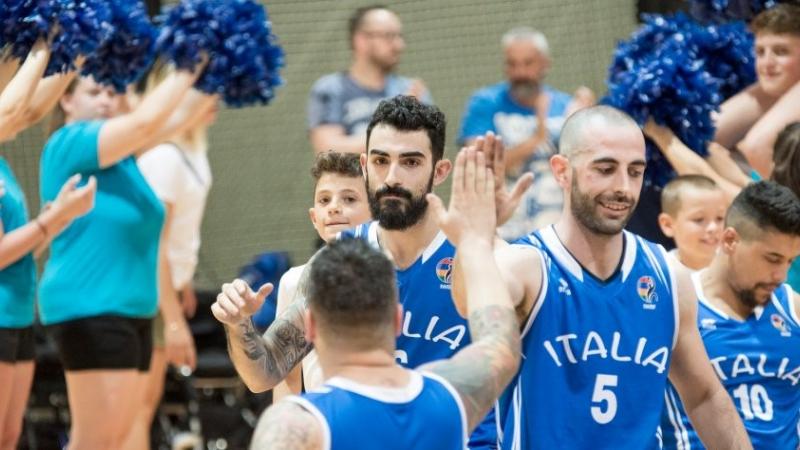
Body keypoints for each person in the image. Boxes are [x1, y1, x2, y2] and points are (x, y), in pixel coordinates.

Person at [211, 96, 528, 449]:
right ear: (364, 165)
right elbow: (265, 371)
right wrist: (239, 324)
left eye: (410, 162)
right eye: (380, 160)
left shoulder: (483, 252)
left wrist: (481, 239)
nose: (392, 177)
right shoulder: (340, 260)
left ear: (440, 171)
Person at [455, 105, 750, 449]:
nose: (623, 187)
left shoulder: (668, 277)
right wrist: (474, 237)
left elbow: (704, 396)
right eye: (606, 169)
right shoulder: (527, 265)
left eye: (635, 171)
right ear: (562, 171)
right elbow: (466, 302)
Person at [37, 63, 215, 449]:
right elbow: (145, 123)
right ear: (66, 99)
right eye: (94, 92)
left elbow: (182, 116)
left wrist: (217, 71)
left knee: (118, 439)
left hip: (130, 312)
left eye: (112, 93)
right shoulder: (71, 142)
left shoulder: (123, 160)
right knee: (96, 441)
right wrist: (193, 61)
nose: (105, 100)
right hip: (91, 306)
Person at [0, 41, 96, 450]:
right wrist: (48, 39)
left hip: (18, 313)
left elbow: (27, 110)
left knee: (9, 436)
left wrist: (77, 48)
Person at [122, 64, 221, 450]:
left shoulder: (191, 148)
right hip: (145, 292)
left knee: (146, 404)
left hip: (164, 288)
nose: (214, 98)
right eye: (203, 90)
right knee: (137, 407)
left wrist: (182, 284)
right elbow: (154, 244)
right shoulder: (163, 156)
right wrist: (175, 321)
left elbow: (180, 235)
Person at [660, 181, 800, 449]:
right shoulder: (675, 305)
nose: (780, 275)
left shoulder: (791, 307)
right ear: (730, 240)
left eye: (789, 261)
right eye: (772, 258)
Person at [458, 26, 594, 240]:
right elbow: (476, 167)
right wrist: (537, 139)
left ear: (545, 64)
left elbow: (586, 172)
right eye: (512, 64)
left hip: (558, 234)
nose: (520, 72)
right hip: (503, 230)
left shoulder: (566, 106)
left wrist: (585, 123)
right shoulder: (485, 103)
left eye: (528, 63)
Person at [272, 151, 371, 401]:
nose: (334, 207)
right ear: (314, 218)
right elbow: (288, 375)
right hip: (324, 421)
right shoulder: (294, 281)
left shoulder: (395, 272)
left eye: (349, 198)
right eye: (324, 200)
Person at [307, 5, 431, 155]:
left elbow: (430, 150)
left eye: (400, 36)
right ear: (361, 40)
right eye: (389, 36)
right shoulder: (331, 88)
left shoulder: (410, 90)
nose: (399, 45)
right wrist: (395, 127)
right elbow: (328, 150)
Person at [714, 3, 800, 178]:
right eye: (760, 52)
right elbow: (709, 135)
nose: (766, 64)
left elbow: (757, 147)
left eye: (781, 51)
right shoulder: (776, 90)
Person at [657, 175, 726, 270]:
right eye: (699, 219)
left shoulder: (737, 266)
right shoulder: (661, 273)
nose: (713, 227)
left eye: (720, 218)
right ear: (668, 225)